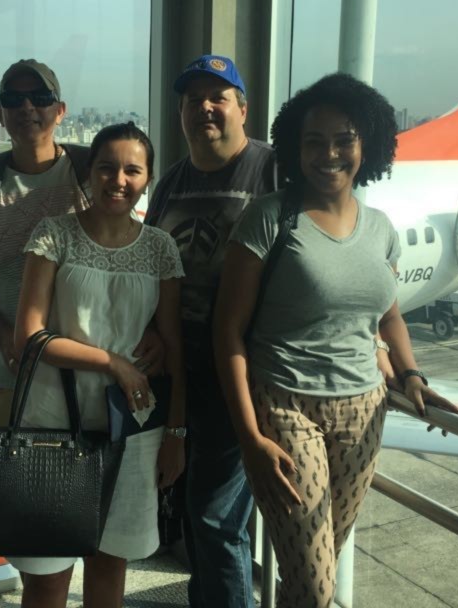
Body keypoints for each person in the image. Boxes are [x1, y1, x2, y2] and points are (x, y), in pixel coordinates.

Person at [213, 73, 458, 608]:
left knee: (310, 574)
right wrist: (250, 438)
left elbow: (388, 316)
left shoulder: (381, 228)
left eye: (343, 140)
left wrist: (412, 375)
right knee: (316, 588)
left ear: (366, 145)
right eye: (314, 141)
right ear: (294, 148)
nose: (329, 154)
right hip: (286, 407)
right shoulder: (269, 219)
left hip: (364, 413)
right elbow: (227, 331)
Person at [11, 123, 186, 608]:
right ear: (89, 173)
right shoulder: (55, 234)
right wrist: (114, 364)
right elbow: (29, 337)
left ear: (148, 178)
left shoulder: (159, 247)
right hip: (53, 422)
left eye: (133, 170)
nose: (119, 180)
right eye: (107, 168)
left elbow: (174, 348)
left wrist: (177, 433)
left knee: (110, 567)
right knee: (47, 577)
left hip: (131, 428)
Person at [0, 59, 160, 428]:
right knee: (18, 467)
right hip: (14, 374)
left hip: (94, 375)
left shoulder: (91, 173)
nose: (27, 107)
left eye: (40, 97)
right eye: (14, 99)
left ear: (60, 111)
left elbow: (132, 252)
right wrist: (6, 337)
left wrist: (152, 327)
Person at [145, 54, 276, 608]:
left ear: (243, 109)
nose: (204, 107)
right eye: (192, 99)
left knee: (215, 516)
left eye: (217, 97)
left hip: (241, 370)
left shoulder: (272, 172)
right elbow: (152, 265)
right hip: (181, 370)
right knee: (195, 512)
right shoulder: (170, 183)